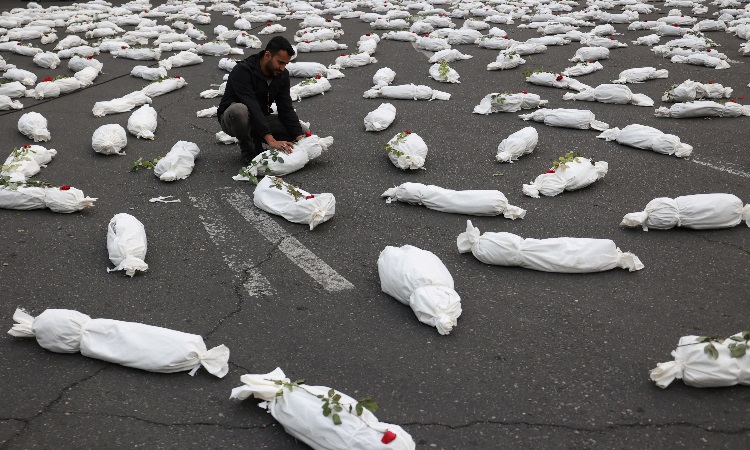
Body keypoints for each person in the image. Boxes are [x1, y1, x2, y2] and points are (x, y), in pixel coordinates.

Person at [218, 36, 305, 165]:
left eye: (285, 64)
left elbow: (285, 108)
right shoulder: (243, 70)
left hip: (261, 118)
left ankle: (258, 139)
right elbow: (251, 105)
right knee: (239, 110)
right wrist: (270, 140)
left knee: (302, 130)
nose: (282, 68)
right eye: (280, 62)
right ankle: (249, 151)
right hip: (234, 120)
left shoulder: (282, 75)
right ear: (268, 55)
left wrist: (299, 135)